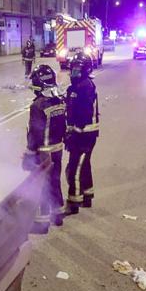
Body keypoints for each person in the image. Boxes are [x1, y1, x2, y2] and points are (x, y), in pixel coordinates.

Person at [23, 64, 67, 229]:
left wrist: (29, 154)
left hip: (43, 153)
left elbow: (35, 133)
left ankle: (41, 222)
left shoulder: (37, 105)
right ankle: (58, 215)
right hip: (57, 149)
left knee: (42, 185)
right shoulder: (59, 101)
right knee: (55, 181)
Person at [64, 53, 100, 215]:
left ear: (85, 70)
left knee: (74, 169)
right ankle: (87, 196)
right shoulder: (78, 86)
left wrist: (73, 132)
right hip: (84, 134)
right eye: (73, 69)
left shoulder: (84, 87)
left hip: (84, 135)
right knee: (84, 165)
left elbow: (83, 115)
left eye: (77, 70)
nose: (74, 73)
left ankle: (74, 202)